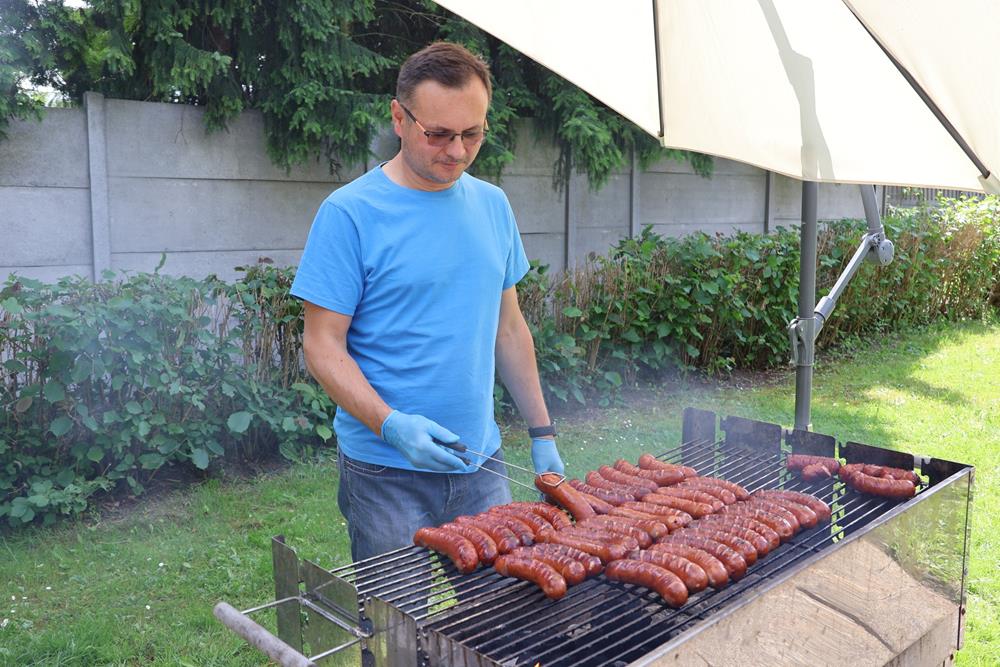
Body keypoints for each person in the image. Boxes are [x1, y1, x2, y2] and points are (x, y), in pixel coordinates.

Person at [290, 42, 564, 563]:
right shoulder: (349, 214)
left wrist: (542, 432)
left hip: (481, 464)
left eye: (473, 133)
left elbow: (509, 329)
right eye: (438, 134)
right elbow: (322, 346)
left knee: (497, 625)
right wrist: (390, 423)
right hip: (385, 472)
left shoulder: (493, 205)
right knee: (399, 630)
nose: (457, 151)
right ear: (399, 117)